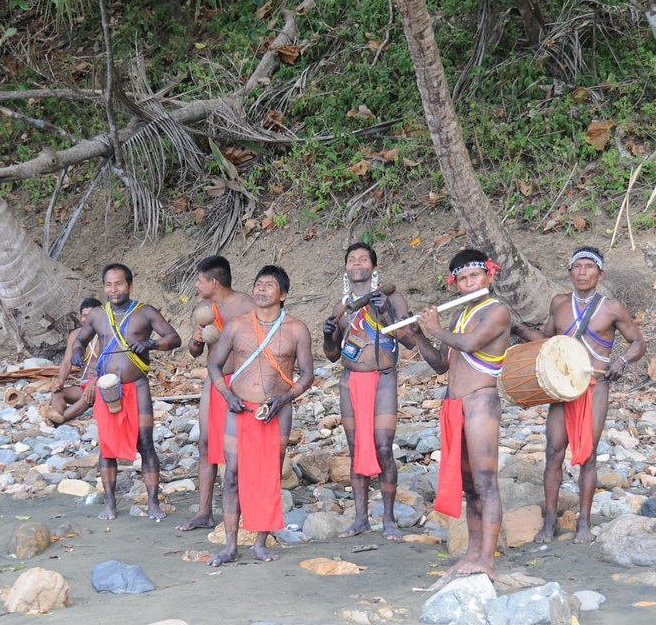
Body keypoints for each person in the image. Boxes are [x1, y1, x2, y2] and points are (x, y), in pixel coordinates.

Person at [512, 246, 646, 544]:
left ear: (601, 274)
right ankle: (549, 522)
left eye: (589, 267)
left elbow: (637, 342)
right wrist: (518, 329)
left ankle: (583, 523)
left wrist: (622, 361)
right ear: (570, 271)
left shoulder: (612, 308)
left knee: (588, 456)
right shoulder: (559, 303)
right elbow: (546, 342)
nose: (583, 272)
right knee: (553, 452)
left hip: (594, 387)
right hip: (561, 387)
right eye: (578, 267)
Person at [400, 248, 510, 581]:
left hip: (481, 402)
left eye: (474, 276)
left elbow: (470, 343)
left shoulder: (498, 311)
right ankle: (473, 553)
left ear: (489, 276)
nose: (468, 283)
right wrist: (419, 335)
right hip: (456, 405)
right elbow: (441, 363)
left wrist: (434, 327)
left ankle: (487, 560)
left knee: (487, 484)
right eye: (462, 279)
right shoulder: (458, 317)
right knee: (470, 487)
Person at [205, 265, 314, 567]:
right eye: (258, 284)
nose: (261, 290)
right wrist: (227, 395)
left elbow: (307, 375)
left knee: (268, 476)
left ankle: (260, 543)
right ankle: (230, 545)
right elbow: (215, 366)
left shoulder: (296, 329)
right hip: (237, 408)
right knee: (232, 475)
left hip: (276, 410)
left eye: (269, 285)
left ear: (284, 295)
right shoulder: (237, 325)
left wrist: (284, 398)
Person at [72, 263, 181, 521]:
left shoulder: (145, 313)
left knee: (145, 443)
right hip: (107, 388)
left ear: (129, 285)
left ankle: (153, 503)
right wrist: (77, 351)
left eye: (119, 284)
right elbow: (80, 339)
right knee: (107, 448)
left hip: (138, 387)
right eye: (109, 285)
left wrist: (149, 343)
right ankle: (110, 503)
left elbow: (173, 338)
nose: (114, 289)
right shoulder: (98, 315)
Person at [322, 242, 415, 541]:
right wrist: (328, 336)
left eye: (364, 259)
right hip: (351, 381)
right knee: (355, 448)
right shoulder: (342, 306)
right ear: (346, 268)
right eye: (352, 259)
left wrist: (385, 313)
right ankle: (360, 518)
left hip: (384, 378)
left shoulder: (392, 297)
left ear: (374, 268)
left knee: (384, 447)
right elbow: (333, 354)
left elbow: (409, 339)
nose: (357, 263)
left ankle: (388, 518)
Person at [176, 256, 255, 532]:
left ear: (213, 281)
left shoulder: (246, 304)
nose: (196, 285)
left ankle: (244, 510)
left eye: (199, 280)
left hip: (242, 380)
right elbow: (195, 352)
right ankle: (204, 512)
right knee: (206, 445)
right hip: (215, 380)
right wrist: (196, 339)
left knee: (239, 447)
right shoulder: (203, 307)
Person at [42, 297, 101, 426]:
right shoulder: (75, 335)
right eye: (85, 315)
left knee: (88, 395)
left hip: (102, 386)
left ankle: (60, 419)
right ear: (81, 318)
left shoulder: (106, 334)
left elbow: (113, 366)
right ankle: (56, 414)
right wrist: (60, 381)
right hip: (84, 384)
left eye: (91, 315)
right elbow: (67, 362)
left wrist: (95, 383)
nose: (87, 319)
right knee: (58, 393)